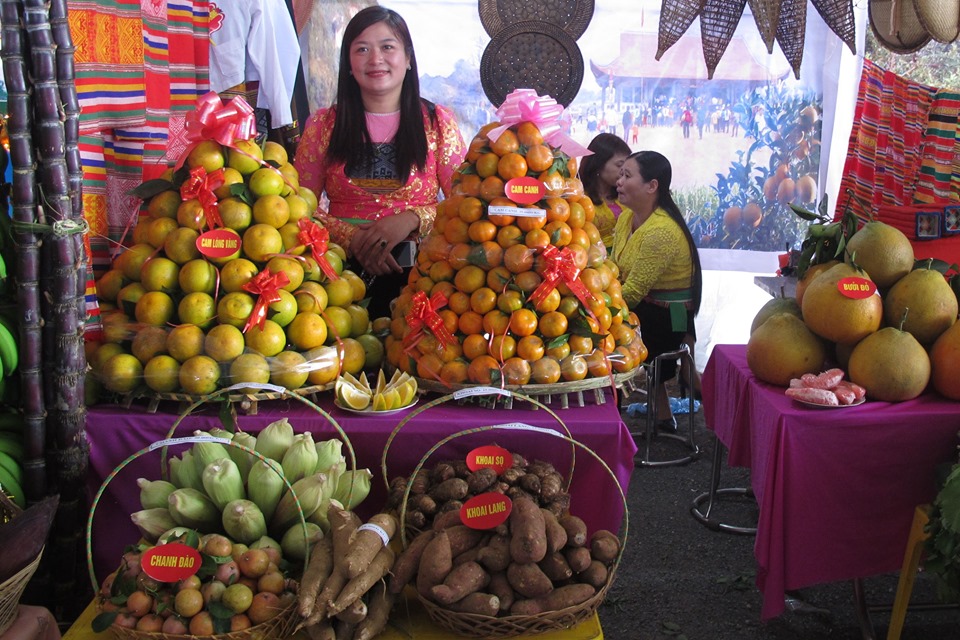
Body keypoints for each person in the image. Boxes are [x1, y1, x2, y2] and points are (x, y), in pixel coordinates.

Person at [294, 6, 465, 318]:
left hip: (424, 276)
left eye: (388, 47)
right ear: (348, 62)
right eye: (362, 49)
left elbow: (467, 204)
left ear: (408, 58)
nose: (375, 59)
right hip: (336, 278)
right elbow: (297, 206)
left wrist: (412, 219)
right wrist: (354, 239)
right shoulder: (322, 126)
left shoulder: (438, 123)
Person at [611, 151, 703, 431]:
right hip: (649, 307)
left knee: (606, 333)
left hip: (671, 315)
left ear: (652, 186)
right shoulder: (627, 219)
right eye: (619, 173)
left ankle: (610, 417)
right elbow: (615, 270)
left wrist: (592, 307)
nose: (619, 182)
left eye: (627, 175)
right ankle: (663, 414)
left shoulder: (661, 231)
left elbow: (632, 294)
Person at [578, 133, 631, 250]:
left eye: (627, 167)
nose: (623, 172)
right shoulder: (579, 199)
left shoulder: (627, 193)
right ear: (599, 164)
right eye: (619, 165)